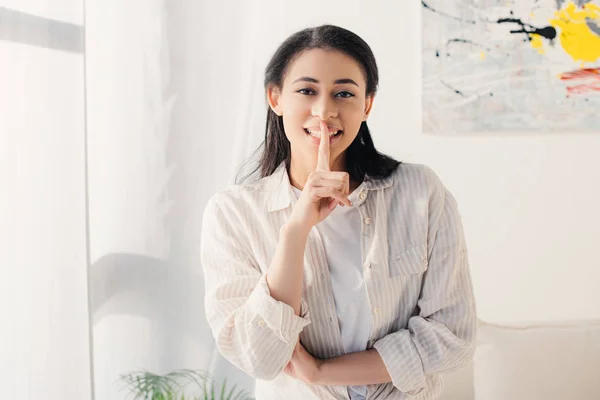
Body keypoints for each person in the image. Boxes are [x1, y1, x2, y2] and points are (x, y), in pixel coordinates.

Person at [200, 24, 476, 400]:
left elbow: (452, 336)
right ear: (275, 98)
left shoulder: (421, 192)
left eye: (343, 93)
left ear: (366, 105)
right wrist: (296, 230)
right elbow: (259, 357)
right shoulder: (232, 213)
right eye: (307, 91)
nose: (325, 110)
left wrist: (320, 372)